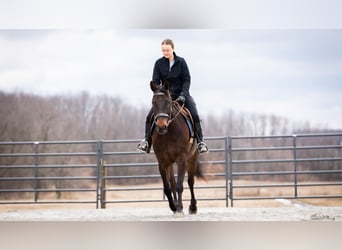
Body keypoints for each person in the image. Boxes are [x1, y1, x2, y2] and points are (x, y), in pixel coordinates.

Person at [137, 39, 209, 154]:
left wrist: (183, 94)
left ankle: (200, 142)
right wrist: (160, 92)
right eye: (163, 50)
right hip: (165, 97)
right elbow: (155, 81)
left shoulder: (181, 62)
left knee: (194, 114)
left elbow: (186, 79)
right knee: (148, 117)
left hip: (181, 95)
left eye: (167, 50)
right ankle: (147, 142)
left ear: (173, 49)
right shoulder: (158, 63)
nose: (165, 53)